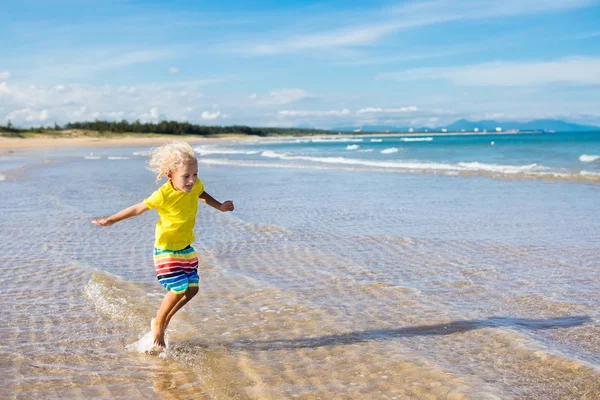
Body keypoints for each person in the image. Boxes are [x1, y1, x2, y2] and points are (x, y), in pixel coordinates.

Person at [92, 141, 234, 348]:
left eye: (195, 174)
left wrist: (220, 206)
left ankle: (165, 318)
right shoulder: (163, 194)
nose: (192, 180)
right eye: (186, 176)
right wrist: (111, 219)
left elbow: (202, 194)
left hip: (185, 247)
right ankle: (158, 322)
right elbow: (138, 208)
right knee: (178, 289)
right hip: (166, 248)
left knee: (192, 290)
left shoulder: (195, 186)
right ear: (170, 175)